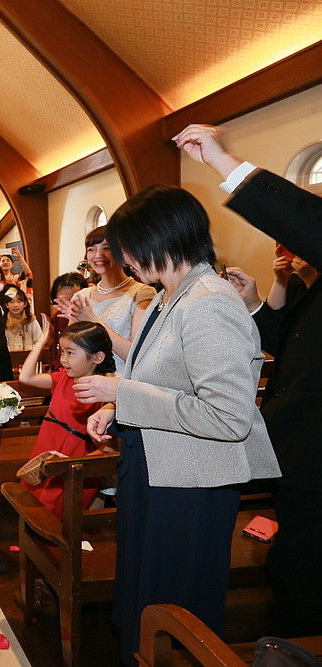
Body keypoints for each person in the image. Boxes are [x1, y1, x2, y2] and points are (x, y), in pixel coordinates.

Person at [75, 184, 281, 665]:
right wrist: (116, 407)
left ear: (159, 236)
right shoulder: (168, 296)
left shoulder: (210, 301)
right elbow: (159, 377)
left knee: (177, 605)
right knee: (146, 595)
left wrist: (123, 394)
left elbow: (227, 416)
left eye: (127, 247)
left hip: (192, 483)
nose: (124, 260)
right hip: (154, 469)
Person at [174, 123, 322, 637]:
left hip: (314, 459)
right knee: (294, 573)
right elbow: (299, 348)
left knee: (302, 582)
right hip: (302, 458)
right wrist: (257, 305)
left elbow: (305, 218)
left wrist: (222, 161)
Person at [18, 319, 115, 518]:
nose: (63, 359)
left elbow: (108, 448)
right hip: (46, 451)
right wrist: (41, 341)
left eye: (70, 353)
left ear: (97, 357)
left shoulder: (104, 391)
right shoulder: (63, 377)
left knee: (59, 514)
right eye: (61, 352)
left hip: (71, 460)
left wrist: (76, 463)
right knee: (34, 507)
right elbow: (25, 377)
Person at [55, 227, 156, 374]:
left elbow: (136, 355)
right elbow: (72, 351)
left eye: (107, 248)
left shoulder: (142, 293)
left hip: (123, 380)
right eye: (91, 249)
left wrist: (92, 320)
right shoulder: (82, 296)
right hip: (88, 381)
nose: (98, 255)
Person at [45, 272, 88, 371]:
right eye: (61, 301)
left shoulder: (89, 318)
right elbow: (54, 351)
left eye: (72, 300)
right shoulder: (57, 317)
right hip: (61, 370)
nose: (67, 306)